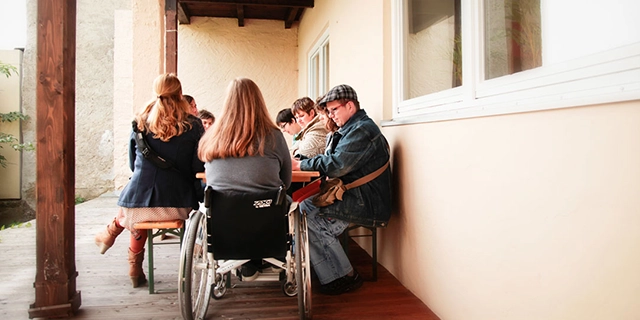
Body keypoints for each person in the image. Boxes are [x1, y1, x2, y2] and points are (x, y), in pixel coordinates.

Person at [95, 73, 205, 288]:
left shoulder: (140, 122)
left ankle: (133, 267)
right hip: (177, 204)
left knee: (136, 210)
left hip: (138, 201)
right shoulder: (193, 125)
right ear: (180, 93)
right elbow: (197, 168)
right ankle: (111, 235)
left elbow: (132, 161)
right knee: (141, 208)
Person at [291, 84, 392, 295]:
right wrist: (302, 160)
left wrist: (300, 165)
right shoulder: (351, 128)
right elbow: (332, 160)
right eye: (328, 111)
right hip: (356, 195)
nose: (330, 115)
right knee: (300, 208)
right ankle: (324, 267)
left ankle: (346, 276)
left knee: (309, 217)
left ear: (350, 106)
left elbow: (338, 164)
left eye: (334, 109)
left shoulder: (362, 130)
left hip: (366, 201)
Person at [199, 77, 292, 280]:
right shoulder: (274, 136)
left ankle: (246, 263)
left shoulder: (211, 136)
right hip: (265, 214)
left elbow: (209, 176)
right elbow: (286, 181)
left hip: (224, 217)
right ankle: (268, 257)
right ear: (259, 102)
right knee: (284, 202)